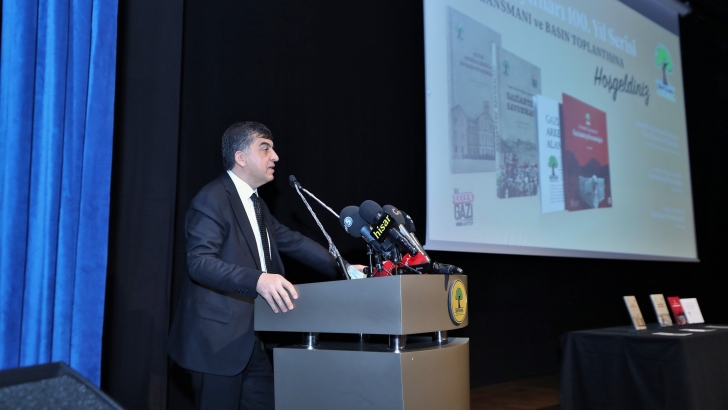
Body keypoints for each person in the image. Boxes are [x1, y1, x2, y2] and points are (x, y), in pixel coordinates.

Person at [168, 121, 363, 410]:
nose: (275, 156)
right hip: (215, 344)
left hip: (252, 342)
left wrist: (346, 268)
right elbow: (200, 263)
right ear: (240, 157)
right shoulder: (212, 199)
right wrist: (258, 280)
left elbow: (293, 241)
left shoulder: (257, 205)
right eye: (265, 148)